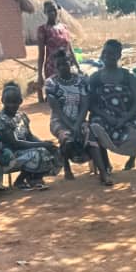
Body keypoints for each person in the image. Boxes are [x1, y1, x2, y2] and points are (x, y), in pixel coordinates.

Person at [45, 50, 111, 185]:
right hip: (59, 121)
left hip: (79, 119)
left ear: (70, 63)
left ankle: (103, 173)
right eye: (59, 65)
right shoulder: (51, 83)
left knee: (90, 136)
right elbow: (57, 110)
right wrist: (72, 126)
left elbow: (85, 104)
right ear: (55, 67)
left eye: (65, 64)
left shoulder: (82, 80)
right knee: (66, 138)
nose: (62, 67)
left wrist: (77, 124)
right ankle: (67, 167)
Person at [0, 82, 62, 191]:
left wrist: (44, 143)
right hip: (9, 153)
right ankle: (20, 180)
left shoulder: (22, 116)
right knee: (39, 152)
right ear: (2, 101)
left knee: (56, 151)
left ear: (20, 101)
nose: (12, 105)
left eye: (15, 102)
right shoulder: (0, 119)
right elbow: (15, 143)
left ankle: (35, 178)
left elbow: (29, 136)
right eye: (8, 102)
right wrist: (42, 145)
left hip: (24, 150)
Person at [88, 39, 136, 172]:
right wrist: (107, 117)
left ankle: (132, 157)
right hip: (103, 116)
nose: (106, 56)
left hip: (127, 116)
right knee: (96, 128)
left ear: (119, 55)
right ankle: (105, 164)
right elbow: (91, 104)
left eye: (111, 53)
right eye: (104, 52)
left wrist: (125, 119)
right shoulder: (95, 77)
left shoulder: (129, 76)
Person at [36, 0, 78, 104]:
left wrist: (77, 66)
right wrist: (40, 75)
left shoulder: (64, 27)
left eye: (54, 10)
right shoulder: (43, 29)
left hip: (67, 65)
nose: (52, 13)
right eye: (49, 11)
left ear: (58, 10)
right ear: (45, 12)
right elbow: (41, 54)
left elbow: (70, 48)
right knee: (56, 97)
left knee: (69, 95)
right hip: (53, 67)